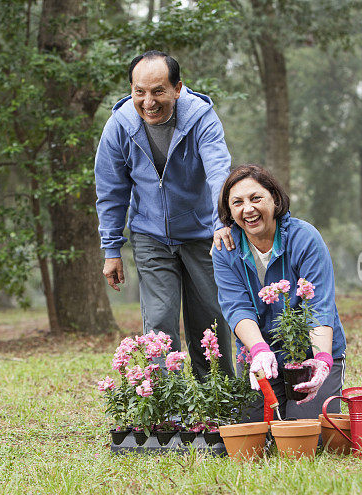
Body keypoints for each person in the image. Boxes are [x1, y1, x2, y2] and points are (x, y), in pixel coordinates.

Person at [94, 50, 234, 378]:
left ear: (177, 88)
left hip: (203, 235)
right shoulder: (119, 127)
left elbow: (219, 173)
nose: (148, 101)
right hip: (150, 235)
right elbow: (110, 192)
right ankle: (166, 407)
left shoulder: (200, 118)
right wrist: (111, 250)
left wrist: (221, 224)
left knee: (210, 321)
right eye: (139, 92)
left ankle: (219, 402)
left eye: (158, 91)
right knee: (159, 321)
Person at [212, 164, 346, 420]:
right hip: (260, 353)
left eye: (256, 198)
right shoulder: (225, 249)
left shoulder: (304, 238)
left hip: (307, 354)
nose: (248, 209)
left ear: (274, 199)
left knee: (306, 434)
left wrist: (321, 359)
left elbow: (319, 305)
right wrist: (260, 351)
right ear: (229, 212)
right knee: (256, 432)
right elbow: (236, 307)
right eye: (237, 202)